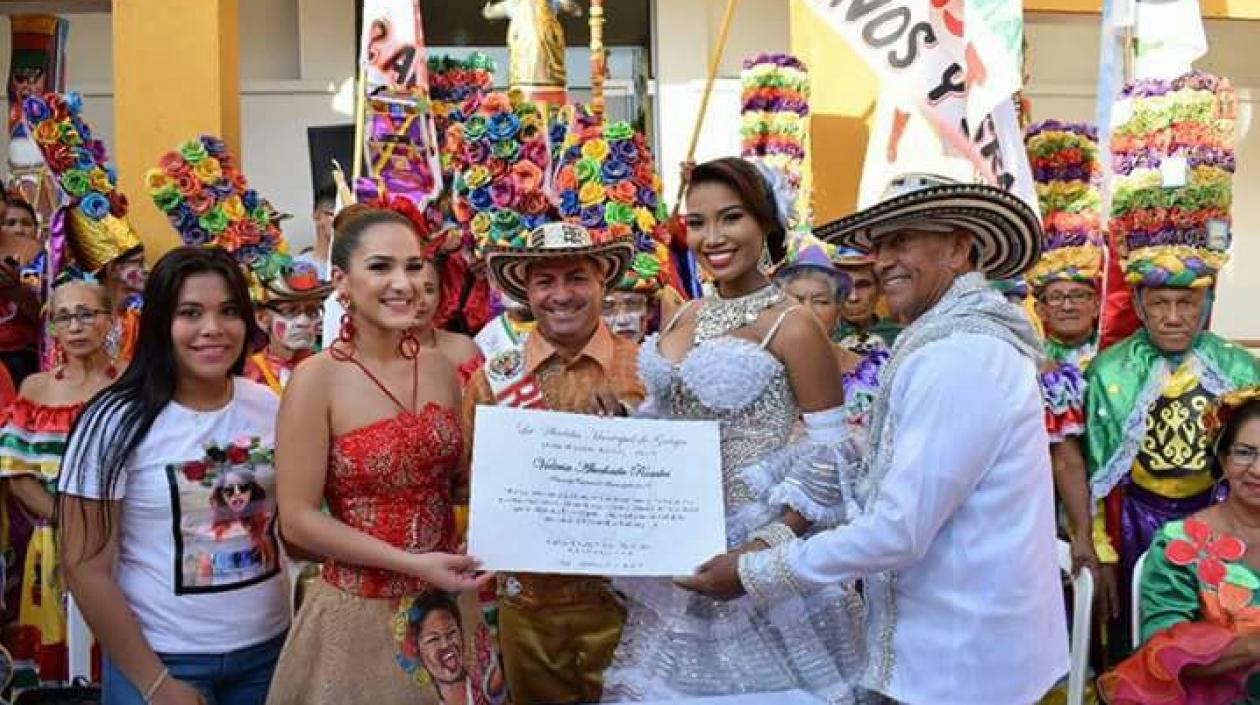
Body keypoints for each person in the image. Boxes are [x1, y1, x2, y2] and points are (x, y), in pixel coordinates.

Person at [681, 174, 1069, 704]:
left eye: (902, 240)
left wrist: (754, 570)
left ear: (959, 248)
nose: (883, 260)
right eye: (879, 244)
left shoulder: (958, 357)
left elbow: (898, 531)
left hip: (961, 667)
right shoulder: (953, 342)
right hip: (963, 650)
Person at [603, 158, 867, 703]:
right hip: (680, 544)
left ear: (766, 224)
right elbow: (668, 424)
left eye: (731, 218)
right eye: (696, 223)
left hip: (760, 553)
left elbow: (835, 456)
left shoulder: (792, 325)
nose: (712, 237)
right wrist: (620, 429)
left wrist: (758, 554)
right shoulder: (680, 316)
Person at [266, 209, 497, 704]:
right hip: (358, 611)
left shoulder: (440, 368)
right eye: (381, 267)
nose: (404, 283)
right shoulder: (315, 379)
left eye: (414, 267)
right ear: (341, 281)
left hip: (449, 605)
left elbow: (453, 482)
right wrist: (411, 563)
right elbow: (300, 522)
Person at [58, 247, 290, 705]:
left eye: (228, 311)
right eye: (190, 313)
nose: (212, 329)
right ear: (160, 323)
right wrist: (155, 683)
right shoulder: (112, 421)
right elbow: (84, 566)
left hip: (270, 655)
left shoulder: (269, 405)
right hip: (162, 660)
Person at [464, 222, 644, 704]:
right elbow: (469, 486)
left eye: (577, 277)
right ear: (526, 290)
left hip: (626, 602)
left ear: (604, 282)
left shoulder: (647, 370)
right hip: (528, 606)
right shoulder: (492, 381)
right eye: (545, 281)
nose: (561, 295)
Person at [1086, 199, 1260, 655]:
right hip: (1135, 520)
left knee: (1227, 640)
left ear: (1207, 303)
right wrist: (1101, 553)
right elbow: (1094, 472)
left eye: (1187, 302)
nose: (1174, 317)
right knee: (1142, 641)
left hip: (1223, 515)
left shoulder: (1238, 367)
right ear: (1140, 305)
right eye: (1160, 303)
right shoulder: (1109, 371)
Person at [1099, 386, 1260, 703]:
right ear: (1223, 458)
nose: (1257, 469)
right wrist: (1254, 646)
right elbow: (1163, 654)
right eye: (1244, 452)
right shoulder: (1182, 545)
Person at [0, 275, 115, 688]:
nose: (75, 326)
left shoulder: (131, 386)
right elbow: (18, 476)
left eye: (86, 314)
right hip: (53, 540)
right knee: (61, 658)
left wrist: (102, 525)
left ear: (110, 320)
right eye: (64, 318)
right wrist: (70, 519)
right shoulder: (35, 388)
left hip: (119, 539)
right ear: (51, 328)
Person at [773, 241, 883, 436]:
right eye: (796, 301)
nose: (806, 311)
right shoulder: (765, 376)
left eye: (821, 302)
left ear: (838, 310)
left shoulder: (875, 372)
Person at [243, 253, 331, 395]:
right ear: (262, 319)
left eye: (312, 311)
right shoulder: (248, 375)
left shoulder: (333, 369)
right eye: (290, 311)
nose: (303, 322)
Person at [826, 246, 901, 356]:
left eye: (863, 285)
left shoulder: (900, 337)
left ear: (880, 289)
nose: (853, 297)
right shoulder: (822, 336)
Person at [0, 194, 42, 384]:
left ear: (36, 229)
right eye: (10, 223)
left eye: (26, 223)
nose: (19, 230)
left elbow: (41, 312)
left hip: (22, 356)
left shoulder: (40, 265)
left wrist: (15, 289)